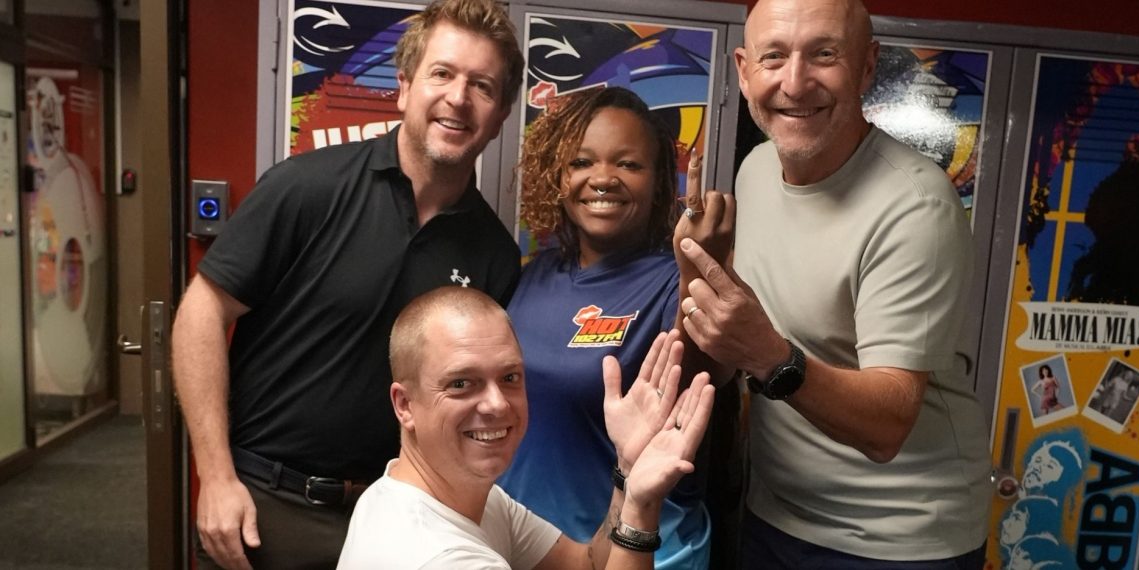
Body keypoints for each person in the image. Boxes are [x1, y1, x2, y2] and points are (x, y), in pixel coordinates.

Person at [170, 1, 525, 567]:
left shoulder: (495, 254)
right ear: (404, 87)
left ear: (501, 111)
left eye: (482, 86)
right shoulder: (306, 188)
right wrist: (214, 477)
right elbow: (201, 312)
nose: (458, 98)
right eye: (442, 73)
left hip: (400, 517)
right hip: (267, 506)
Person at [674, 0, 992, 567]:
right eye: (774, 57)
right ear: (743, 70)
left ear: (867, 66)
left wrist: (769, 355)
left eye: (824, 54)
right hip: (774, 513)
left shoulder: (915, 205)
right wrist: (697, 272)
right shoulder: (756, 170)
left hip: (898, 538)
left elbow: (887, 427)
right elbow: (717, 366)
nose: (795, 83)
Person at [496, 86, 732, 569]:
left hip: (638, 551)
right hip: (529, 548)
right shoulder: (536, 273)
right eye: (582, 162)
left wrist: (696, 269)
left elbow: (696, 379)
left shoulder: (673, 281)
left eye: (628, 164)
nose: (602, 178)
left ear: (659, 182)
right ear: (560, 176)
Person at [337, 287, 716, 569]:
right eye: (461, 383)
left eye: (509, 377)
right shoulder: (439, 557)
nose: (497, 404)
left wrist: (628, 474)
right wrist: (641, 508)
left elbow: (585, 564)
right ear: (405, 405)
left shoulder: (447, 495)